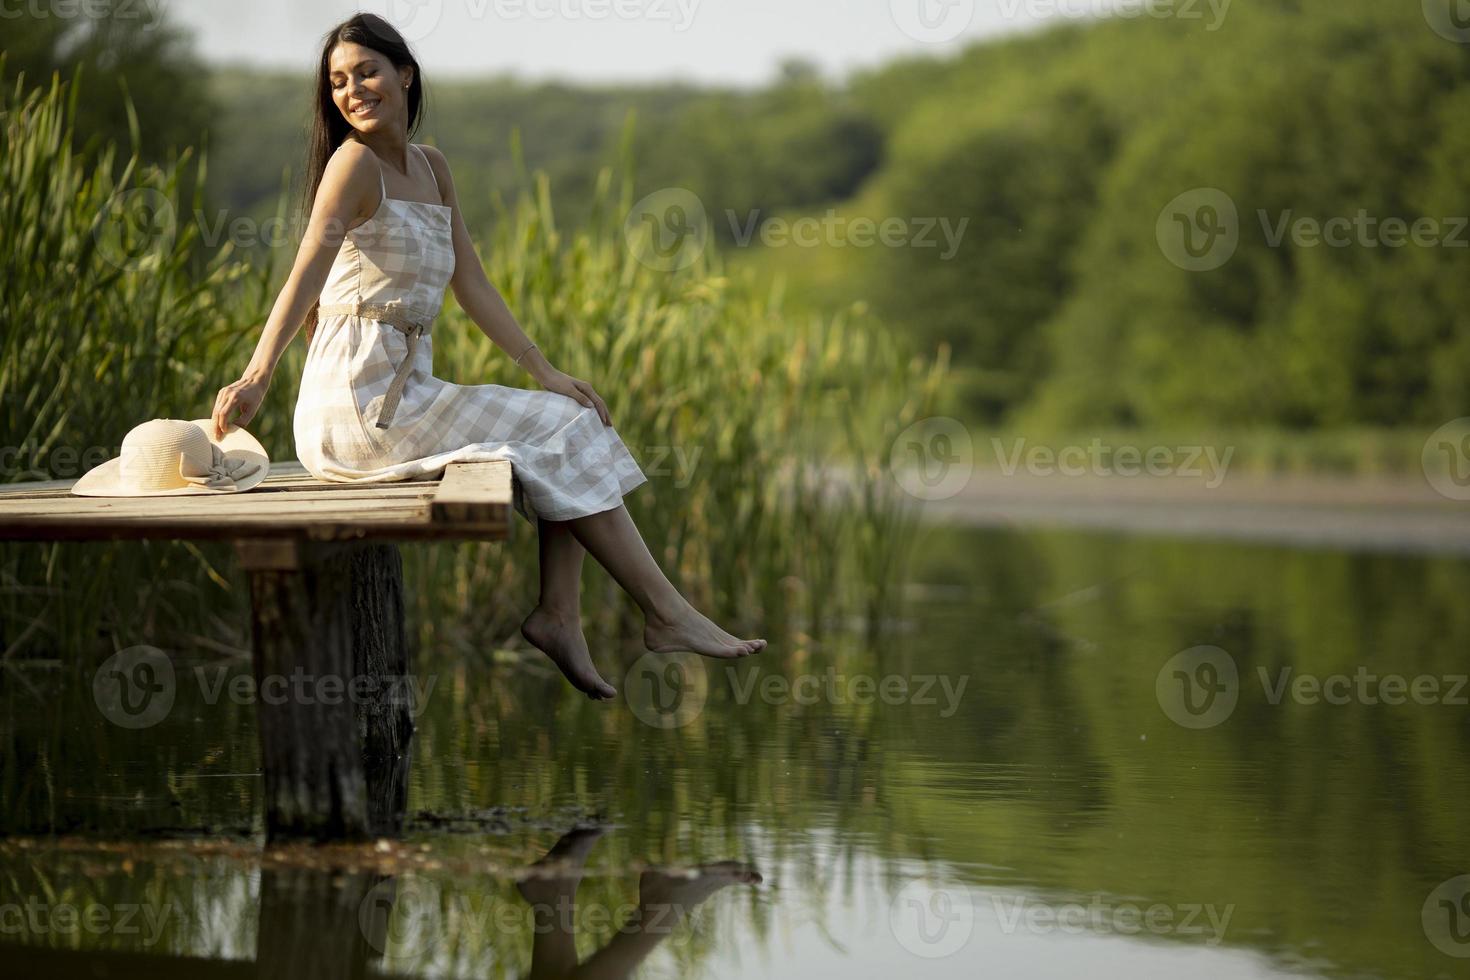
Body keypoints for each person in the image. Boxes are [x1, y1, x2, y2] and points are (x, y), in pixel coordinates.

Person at [211, 13, 765, 701]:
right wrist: (258, 376)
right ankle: (661, 612)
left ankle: (562, 615)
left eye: (367, 72)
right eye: (338, 82)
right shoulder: (351, 165)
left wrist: (546, 370)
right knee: (559, 432)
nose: (353, 91)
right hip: (356, 407)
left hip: (409, 392)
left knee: (568, 417)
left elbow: (469, 281)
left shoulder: (431, 166)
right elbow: (304, 277)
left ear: (405, 74)